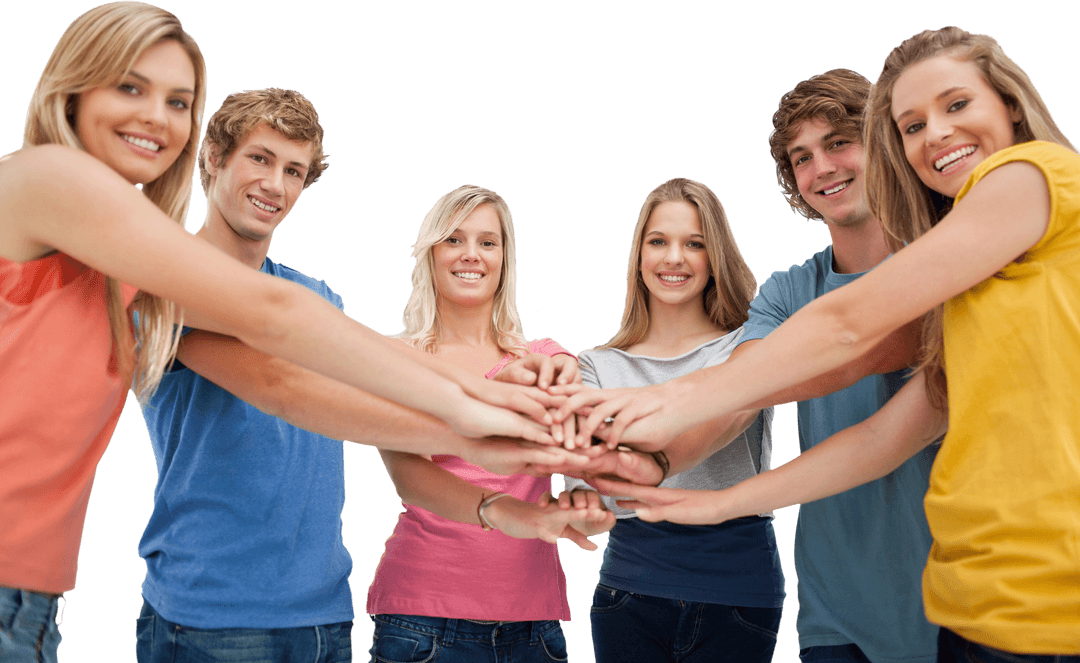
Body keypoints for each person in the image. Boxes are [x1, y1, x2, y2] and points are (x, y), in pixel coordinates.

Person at [0, 4, 558, 660]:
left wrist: (488, 404)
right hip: (195, 611)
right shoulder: (50, 179)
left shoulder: (123, 270)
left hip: (43, 599)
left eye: (178, 100)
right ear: (74, 84)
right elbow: (272, 344)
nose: (156, 115)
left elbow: (314, 384)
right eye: (129, 86)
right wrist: (474, 414)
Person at [586, 26, 1080, 662]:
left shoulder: (1030, 174)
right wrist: (713, 502)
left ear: (1011, 103)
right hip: (973, 607)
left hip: (1045, 606)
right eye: (912, 125)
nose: (935, 135)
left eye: (957, 105)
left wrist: (666, 401)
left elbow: (852, 335)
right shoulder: (971, 290)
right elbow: (879, 439)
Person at [736, 71, 938, 663]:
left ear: (883, 144)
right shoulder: (787, 292)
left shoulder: (950, 267)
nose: (821, 168)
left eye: (838, 143)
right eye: (801, 157)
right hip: (835, 619)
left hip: (958, 606)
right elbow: (742, 389)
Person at [366, 185, 615, 663]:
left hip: (532, 625)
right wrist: (503, 509)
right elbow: (408, 475)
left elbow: (579, 431)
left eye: (487, 242)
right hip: (420, 619)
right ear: (431, 254)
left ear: (505, 259)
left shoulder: (544, 356)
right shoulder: (397, 359)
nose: (471, 255)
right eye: (454, 240)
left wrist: (584, 502)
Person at [562, 177, 783, 662]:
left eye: (694, 244)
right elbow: (598, 473)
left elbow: (726, 414)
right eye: (658, 241)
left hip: (739, 590)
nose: (674, 258)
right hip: (630, 592)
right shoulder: (596, 365)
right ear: (639, 256)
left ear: (714, 256)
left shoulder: (748, 345)